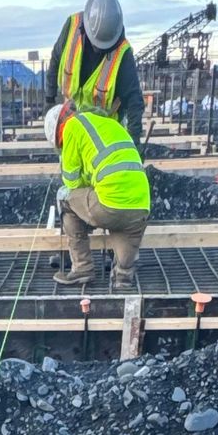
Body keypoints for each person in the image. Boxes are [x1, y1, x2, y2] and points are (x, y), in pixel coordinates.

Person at [45, 98, 150, 292]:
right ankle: (122, 276)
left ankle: (82, 268)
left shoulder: (72, 126)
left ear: (58, 129)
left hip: (108, 205)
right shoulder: (110, 123)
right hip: (141, 206)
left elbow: (72, 182)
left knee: (65, 198)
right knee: (124, 236)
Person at [44, 0, 145, 139]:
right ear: (85, 29)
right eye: (95, 45)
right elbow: (55, 61)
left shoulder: (122, 54)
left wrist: (134, 141)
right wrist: (49, 99)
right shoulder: (72, 27)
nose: (98, 50)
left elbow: (134, 101)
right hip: (72, 122)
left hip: (105, 131)